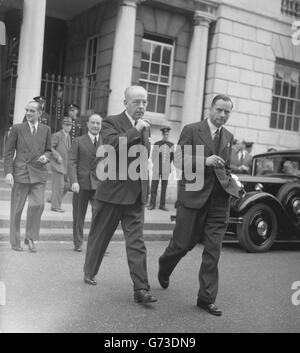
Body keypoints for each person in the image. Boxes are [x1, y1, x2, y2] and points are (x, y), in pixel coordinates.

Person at [158, 94, 239, 316]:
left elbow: (227, 168)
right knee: (182, 245)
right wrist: (205, 161)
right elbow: (178, 161)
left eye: (227, 112)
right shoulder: (192, 130)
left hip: (219, 202)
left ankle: (206, 299)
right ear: (211, 108)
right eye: (220, 110)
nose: (223, 115)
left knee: (213, 251)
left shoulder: (229, 136)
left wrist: (233, 185)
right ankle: (164, 266)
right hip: (193, 199)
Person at [83, 85, 157, 305]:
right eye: (137, 102)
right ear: (126, 103)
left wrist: (147, 191)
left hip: (135, 197)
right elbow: (112, 146)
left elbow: (144, 161)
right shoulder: (110, 122)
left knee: (137, 242)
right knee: (100, 236)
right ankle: (89, 270)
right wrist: (136, 130)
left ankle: (141, 289)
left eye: (144, 102)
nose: (141, 106)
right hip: (112, 194)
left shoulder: (147, 127)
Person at [4, 100, 52, 252]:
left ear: (39, 113)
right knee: (17, 209)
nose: (28, 113)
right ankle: (15, 241)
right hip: (21, 173)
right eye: (27, 110)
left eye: (32, 111)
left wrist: (46, 156)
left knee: (38, 205)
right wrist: (9, 172)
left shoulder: (46, 129)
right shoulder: (17, 128)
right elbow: (9, 152)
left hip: (38, 172)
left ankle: (30, 238)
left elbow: (48, 149)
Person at [68, 114, 103, 252]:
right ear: (87, 124)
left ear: (101, 125)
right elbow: (71, 162)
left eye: (98, 123)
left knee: (100, 215)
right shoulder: (78, 141)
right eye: (93, 123)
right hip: (81, 184)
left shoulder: (105, 142)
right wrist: (74, 181)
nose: (95, 126)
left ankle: (98, 244)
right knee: (78, 215)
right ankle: (78, 243)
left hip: (99, 185)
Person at [48, 116, 72, 213]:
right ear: (62, 125)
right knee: (59, 186)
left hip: (65, 166)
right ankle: (55, 206)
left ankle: (52, 198)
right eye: (66, 125)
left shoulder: (68, 136)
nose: (68, 127)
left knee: (68, 185)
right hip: (57, 165)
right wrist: (57, 156)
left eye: (70, 125)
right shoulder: (57, 135)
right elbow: (50, 147)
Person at [148, 127, 174, 211]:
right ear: (162, 134)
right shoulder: (157, 144)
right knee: (154, 187)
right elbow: (153, 156)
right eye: (165, 134)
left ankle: (162, 205)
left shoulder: (171, 145)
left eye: (167, 134)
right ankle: (152, 204)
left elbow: (172, 157)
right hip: (157, 167)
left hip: (166, 169)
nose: (166, 136)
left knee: (164, 187)